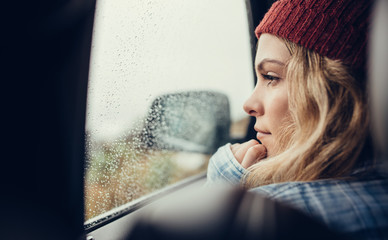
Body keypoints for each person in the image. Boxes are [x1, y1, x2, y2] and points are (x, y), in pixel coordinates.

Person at [206, 0, 388, 239]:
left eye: (271, 77)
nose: (249, 105)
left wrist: (225, 186)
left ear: (332, 91)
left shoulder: (278, 215)